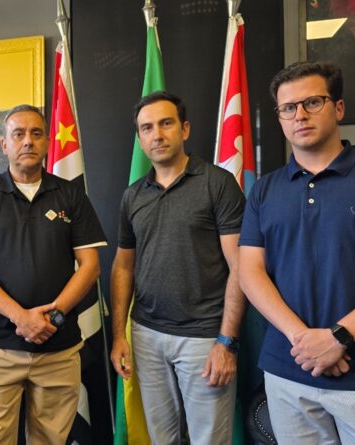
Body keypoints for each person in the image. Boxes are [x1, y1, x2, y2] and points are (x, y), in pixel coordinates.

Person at [239, 61, 355, 444]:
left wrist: (338, 337)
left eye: (312, 102)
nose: (300, 115)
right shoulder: (264, 190)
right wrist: (304, 340)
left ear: (338, 108)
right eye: (288, 107)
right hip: (288, 370)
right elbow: (249, 272)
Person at [0, 104, 106, 444]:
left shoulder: (71, 194)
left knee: (51, 440)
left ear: (47, 142)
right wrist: (21, 317)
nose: (28, 141)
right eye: (18, 134)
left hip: (58, 348)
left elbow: (90, 266)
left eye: (36, 134)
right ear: (4, 144)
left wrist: (51, 316)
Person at [109, 91, 246, 444]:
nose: (157, 135)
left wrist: (226, 342)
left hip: (204, 337)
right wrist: (119, 335)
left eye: (166, 123)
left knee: (208, 440)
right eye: (147, 128)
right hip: (146, 335)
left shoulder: (217, 184)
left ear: (184, 129)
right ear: (140, 138)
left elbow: (241, 267)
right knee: (161, 439)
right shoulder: (132, 195)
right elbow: (123, 267)